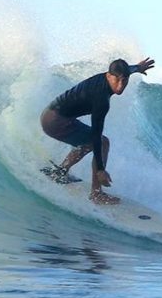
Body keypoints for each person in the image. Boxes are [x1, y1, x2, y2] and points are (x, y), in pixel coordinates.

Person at [40, 57, 155, 205]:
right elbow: (96, 134)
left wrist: (137, 68)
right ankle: (96, 194)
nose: (120, 86)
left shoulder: (114, 75)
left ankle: (61, 171)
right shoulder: (101, 99)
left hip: (52, 115)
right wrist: (100, 170)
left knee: (89, 143)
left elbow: (124, 71)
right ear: (108, 76)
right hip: (55, 121)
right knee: (102, 142)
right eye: (117, 80)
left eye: (125, 81)